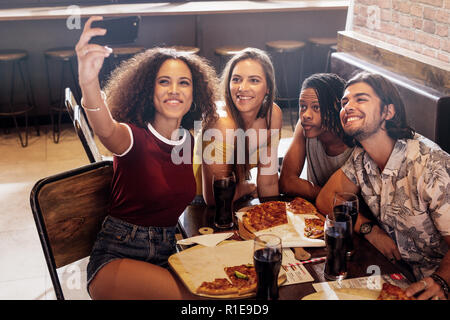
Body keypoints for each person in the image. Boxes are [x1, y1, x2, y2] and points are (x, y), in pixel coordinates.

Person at [76, 16, 218, 299]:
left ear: (195, 93)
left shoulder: (187, 141)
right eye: (164, 82)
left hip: (166, 254)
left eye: (184, 83)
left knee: (226, 289)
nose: (174, 90)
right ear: (148, 90)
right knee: (198, 301)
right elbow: (105, 128)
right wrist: (88, 82)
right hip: (117, 257)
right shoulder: (132, 137)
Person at [316, 71, 449, 300]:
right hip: (398, 278)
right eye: (344, 101)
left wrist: (442, 281)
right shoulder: (361, 156)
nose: (348, 106)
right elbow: (326, 199)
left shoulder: (430, 164)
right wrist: (370, 230)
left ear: (388, 111)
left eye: (361, 99)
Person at [193, 48, 282, 206]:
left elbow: (268, 182)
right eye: (236, 79)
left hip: (237, 190)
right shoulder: (221, 123)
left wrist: (275, 220)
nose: (243, 88)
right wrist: (247, 187)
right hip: (199, 201)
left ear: (268, 87)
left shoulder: (273, 115)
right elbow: (214, 198)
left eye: (254, 80)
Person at [279, 73, 353, 201]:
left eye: (316, 107)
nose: (306, 115)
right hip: (315, 212)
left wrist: (306, 189)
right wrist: (327, 197)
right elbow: (286, 182)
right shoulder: (305, 126)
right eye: (303, 106)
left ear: (336, 107)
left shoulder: (355, 143)